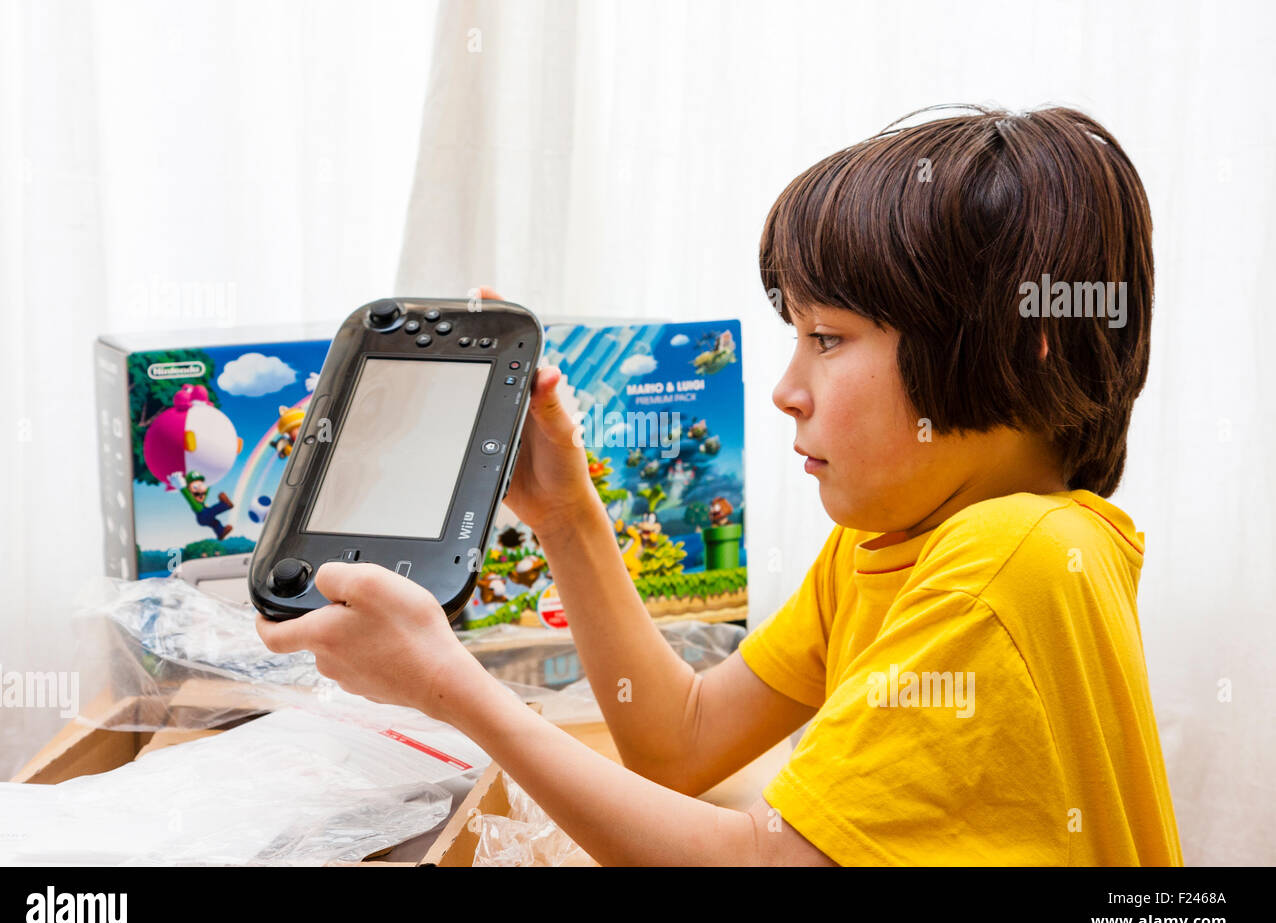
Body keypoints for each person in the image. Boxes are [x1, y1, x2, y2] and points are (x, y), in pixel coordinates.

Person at [257, 104, 1182, 866]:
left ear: (1026, 340)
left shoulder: (1005, 561)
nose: (786, 391)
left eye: (828, 339)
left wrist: (449, 685)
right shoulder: (897, 543)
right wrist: (569, 516)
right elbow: (677, 744)